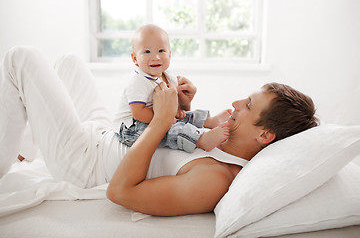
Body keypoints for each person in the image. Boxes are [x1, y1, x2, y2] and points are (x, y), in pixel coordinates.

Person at [0, 46, 318, 216]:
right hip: (109, 132)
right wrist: (181, 105)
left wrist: (161, 121)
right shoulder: (226, 134)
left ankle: (18, 154)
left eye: (248, 105)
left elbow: (120, 192)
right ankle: (29, 150)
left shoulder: (215, 179)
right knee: (69, 62)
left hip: (86, 162)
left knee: (20, 59)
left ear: (265, 136)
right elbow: (179, 137)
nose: (236, 102)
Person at [113, 24, 230, 153]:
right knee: (172, 130)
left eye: (161, 51)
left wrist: (177, 110)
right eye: (147, 52)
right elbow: (138, 112)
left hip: (159, 116)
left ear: (169, 54)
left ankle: (210, 121)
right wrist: (165, 119)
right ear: (135, 59)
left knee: (185, 116)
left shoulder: (170, 78)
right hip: (132, 127)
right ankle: (200, 139)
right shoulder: (138, 80)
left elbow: (173, 105)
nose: (155, 57)